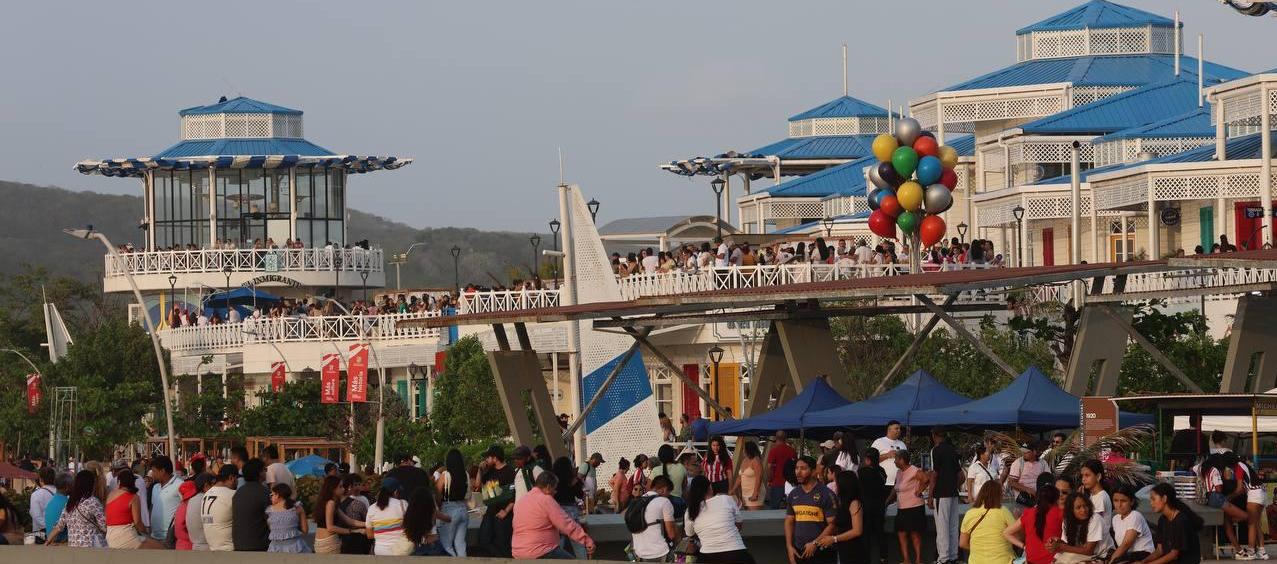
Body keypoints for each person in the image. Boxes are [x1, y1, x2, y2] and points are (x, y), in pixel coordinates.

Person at [512, 471, 596, 559]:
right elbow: (566, 524)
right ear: (548, 487)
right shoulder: (546, 500)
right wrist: (586, 540)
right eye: (555, 489)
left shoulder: (521, 501)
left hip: (518, 552)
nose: (555, 492)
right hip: (540, 551)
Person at [686, 475, 753, 564]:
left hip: (708, 556)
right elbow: (739, 525)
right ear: (710, 487)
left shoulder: (690, 510)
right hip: (736, 552)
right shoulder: (726, 499)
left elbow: (690, 533)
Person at [785, 456, 836, 564]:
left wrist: (815, 543)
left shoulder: (826, 494)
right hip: (799, 551)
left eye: (803, 469)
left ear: (813, 472)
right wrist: (789, 547)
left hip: (822, 552)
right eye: (796, 468)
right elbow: (789, 521)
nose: (798, 472)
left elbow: (833, 524)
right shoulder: (793, 494)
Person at [1199, 452, 1250, 557]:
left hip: (1210, 498)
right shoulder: (1216, 470)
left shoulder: (1205, 470)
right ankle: (1224, 521)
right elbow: (1218, 488)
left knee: (1228, 526)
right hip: (1217, 498)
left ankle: (1239, 551)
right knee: (1246, 516)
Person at [1144, 482, 1203, 564]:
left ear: (1164, 499)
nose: (1151, 503)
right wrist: (1143, 562)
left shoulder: (1181, 520)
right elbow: (1159, 550)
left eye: (1153, 499)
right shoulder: (1162, 520)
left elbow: (1174, 554)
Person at [1003, 483, 1063, 564]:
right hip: (1053, 561)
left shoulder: (1028, 513)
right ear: (1056, 499)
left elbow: (1006, 533)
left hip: (1031, 561)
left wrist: (1024, 546)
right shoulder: (1060, 513)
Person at [929, 427, 964, 564]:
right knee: (953, 526)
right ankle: (953, 556)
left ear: (934, 435)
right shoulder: (953, 450)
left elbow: (934, 474)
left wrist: (930, 495)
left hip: (941, 493)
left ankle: (943, 558)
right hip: (953, 493)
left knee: (942, 527)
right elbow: (961, 475)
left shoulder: (936, 450)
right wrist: (954, 486)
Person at [958, 481, 1015, 564]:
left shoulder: (969, 514)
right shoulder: (1003, 511)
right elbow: (1018, 537)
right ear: (999, 495)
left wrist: (979, 549)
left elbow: (962, 543)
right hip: (1003, 561)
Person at [46, 470, 107, 548]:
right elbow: (104, 526)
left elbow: (59, 526)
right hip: (91, 548)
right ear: (91, 485)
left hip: (73, 547)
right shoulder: (93, 502)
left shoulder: (70, 503)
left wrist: (47, 541)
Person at [815, 470, 864, 564]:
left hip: (853, 550)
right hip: (843, 549)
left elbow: (857, 531)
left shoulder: (854, 503)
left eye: (837, 483)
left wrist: (834, 539)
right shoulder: (842, 502)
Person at [106, 469, 163, 548]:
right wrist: (147, 533)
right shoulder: (134, 497)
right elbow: (138, 523)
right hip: (125, 537)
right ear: (132, 483)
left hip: (110, 537)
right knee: (159, 547)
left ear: (119, 482)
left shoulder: (110, 495)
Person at [888, 450, 928, 564]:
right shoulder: (898, 473)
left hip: (914, 507)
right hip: (902, 508)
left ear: (901, 460)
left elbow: (926, 479)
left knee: (915, 533)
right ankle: (906, 559)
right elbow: (895, 489)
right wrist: (887, 501)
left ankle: (918, 559)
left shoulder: (914, 470)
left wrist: (919, 491)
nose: (894, 462)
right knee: (901, 533)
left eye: (896, 459)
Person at [478, 444, 516, 558]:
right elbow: (477, 485)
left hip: (503, 513)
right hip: (490, 511)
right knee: (483, 540)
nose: (486, 459)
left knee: (502, 543)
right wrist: (480, 469)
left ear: (495, 458)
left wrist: (506, 511)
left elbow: (515, 494)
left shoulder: (509, 471)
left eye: (488, 457)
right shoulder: (489, 471)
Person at [630, 475, 679, 562]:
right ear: (664, 489)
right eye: (668, 493)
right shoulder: (664, 502)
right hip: (661, 553)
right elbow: (671, 534)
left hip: (639, 554)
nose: (668, 496)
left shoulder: (637, 502)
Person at [551, 456, 588, 559]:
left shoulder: (553, 480)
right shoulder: (573, 480)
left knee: (558, 543)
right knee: (578, 542)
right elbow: (580, 495)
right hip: (572, 511)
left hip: (557, 511)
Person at [1049, 492, 1102, 563]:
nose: (1083, 510)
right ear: (1071, 510)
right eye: (1078, 507)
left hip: (1099, 556)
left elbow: (1089, 551)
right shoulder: (1066, 521)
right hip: (1080, 554)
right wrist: (1056, 542)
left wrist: (1060, 546)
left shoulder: (1095, 518)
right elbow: (1069, 545)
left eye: (1085, 506)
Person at [436, 448, 470, 557]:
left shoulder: (445, 475)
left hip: (449, 510)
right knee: (460, 544)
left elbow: (437, 493)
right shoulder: (466, 475)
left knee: (447, 545)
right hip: (463, 510)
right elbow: (468, 495)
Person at [366, 477, 413, 555]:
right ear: (395, 492)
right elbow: (410, 527)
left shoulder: (372, 508)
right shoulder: (403, 504)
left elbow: (369, 535)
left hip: (380, 551)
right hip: (400, 550)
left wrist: (382, 532)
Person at [1108, 485, 1155, 564]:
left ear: (1132, 502)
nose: (1119, 505)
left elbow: (1126, 543)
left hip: (1144, 555)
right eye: (1115, 500)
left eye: (1123, 501)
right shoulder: (1115, 518)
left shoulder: (1135, 515)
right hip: (1128, 555)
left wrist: (1111, 561)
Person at [858, 448, 889, 564]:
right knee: (880, 533)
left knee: (866, 535)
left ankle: (866, 559)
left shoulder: (862, 472)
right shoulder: (881, 471)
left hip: (866, 507)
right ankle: (883, 558)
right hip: (879, 507)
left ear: (868, 459)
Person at [232, 458, 270, 551]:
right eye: (265, 469)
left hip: (238, 544)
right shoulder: (263, 492)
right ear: (260, 473)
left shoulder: (238, 492)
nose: (266, 472)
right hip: (258, 545)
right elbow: (271, 520)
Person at [1080, 459, 1115, 558]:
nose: (1083, 479)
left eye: (1087, 475)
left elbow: (1093, 524)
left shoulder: (1101, 497)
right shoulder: (1092, 496)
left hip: (1101, 549)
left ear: (1098, 476)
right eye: (1082, 476)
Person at [404, 486, 450, 556]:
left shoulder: (411, 513)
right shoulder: (432, 511)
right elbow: (448, 519)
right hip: (434, 544)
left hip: (418, 546)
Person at [147, 455, 183, 544]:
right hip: (154, 536)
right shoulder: (155, 487)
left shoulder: (180, 485)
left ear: (162, 471)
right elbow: (152, 507)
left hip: (170, 537)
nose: (153, 474)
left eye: (154, 471)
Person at [202, 463, 238, 551]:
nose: (237, 482)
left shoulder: (205, 495)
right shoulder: (232, 495)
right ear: (231, 478)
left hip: (212, 548)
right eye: (237, 479)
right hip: (230, 549)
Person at [266, 483, 311, 553]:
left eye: (272, 495)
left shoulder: (270, 511)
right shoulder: (297, 507)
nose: (271, 497)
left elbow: (271, 529)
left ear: (277, 495)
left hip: (275, 549)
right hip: (295, 547)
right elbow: (305, 530)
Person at [314, 475, 353, 554]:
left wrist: (366, 524)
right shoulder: (331, 503)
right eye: (340, 487)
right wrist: (351, 531)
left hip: (318, 542)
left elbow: (349, 520)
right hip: (329, 542)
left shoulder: (323, 502)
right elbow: (330, 527)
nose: (343, 489)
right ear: (333, 489)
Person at [1009, 442, 1048, 511]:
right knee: (1037, 506)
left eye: (1027, 452)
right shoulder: (1018, 463)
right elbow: (1012, 482)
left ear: (1035, 452)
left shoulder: (1043, 463)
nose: (1024, 453)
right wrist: (1027, 489)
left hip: (1038, 494)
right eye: (1023, 451)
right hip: (1022, 494)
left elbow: (1047, 478)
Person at [338, 473, 371, 554]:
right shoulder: (357, 504)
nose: (356, 487)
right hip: (356, 540)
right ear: (349, 487)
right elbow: (365, 519)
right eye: (354, 485)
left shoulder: (333, 503)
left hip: (338, 540)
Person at [870, 421, 907, 491]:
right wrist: (887, 455)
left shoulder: (902, 444)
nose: (899, 431)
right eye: (896, 428)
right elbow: (871, 460)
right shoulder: (879, 442)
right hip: (883, 482)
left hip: (900, 483)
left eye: (899, 429)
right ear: (889, 429)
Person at [767, 430, 798, 510]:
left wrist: (770, 480)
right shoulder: (792, 451)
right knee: (791, 507)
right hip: (791, 483)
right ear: (786, 438)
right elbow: (796, 466)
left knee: (774, 508)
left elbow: (769, 467)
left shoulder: (773, 450)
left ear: (776, 438)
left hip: (776, 482)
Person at [184, 473, 214, 551]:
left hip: (195, 545)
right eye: (214, 485)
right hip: (206, 546)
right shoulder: (205, 499)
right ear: (206, 485)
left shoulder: (192, 500)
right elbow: (209, 522)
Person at [733, 440, 765, 511]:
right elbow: (740, 477)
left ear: (749, 450)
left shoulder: (756, 460)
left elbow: (759, 478)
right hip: (745, 493)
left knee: (754, 517)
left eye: (744, 449)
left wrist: (755, 493)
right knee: (747, 516)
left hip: (754, 493)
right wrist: (733, 489)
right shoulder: (744, 460)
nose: (743, 451)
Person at [29, 466, 57, 543]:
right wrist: (56, 529)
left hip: (41, 536)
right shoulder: (62, 494)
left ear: (40, 479)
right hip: (59, 535)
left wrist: (49, 528)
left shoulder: (36, 495)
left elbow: (37, 517)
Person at [43, 472, 72, 544]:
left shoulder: (51, 502)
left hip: (50, 541)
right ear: (67, 487)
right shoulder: (68, 503)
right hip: (61, 543)